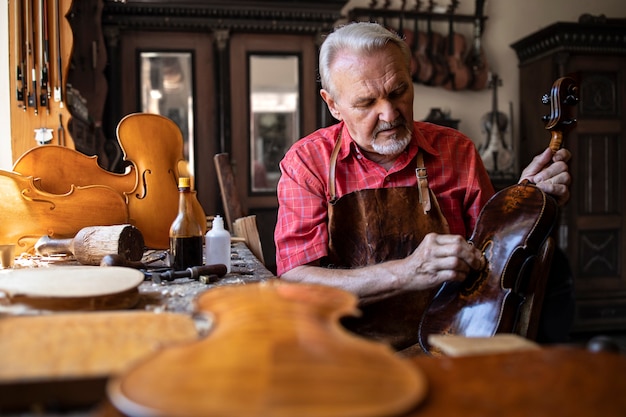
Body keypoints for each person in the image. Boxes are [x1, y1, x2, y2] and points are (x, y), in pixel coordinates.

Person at [274, 22, 572, 351]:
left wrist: (522, 202)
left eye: (398, 91)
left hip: (446, 345)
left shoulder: (458, 151)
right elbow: (295, 280)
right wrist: (407, 272)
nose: (389, 113)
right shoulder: (307, 163)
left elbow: (494, 262)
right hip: (346, 353)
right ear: (332, 105)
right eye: (366, 102)